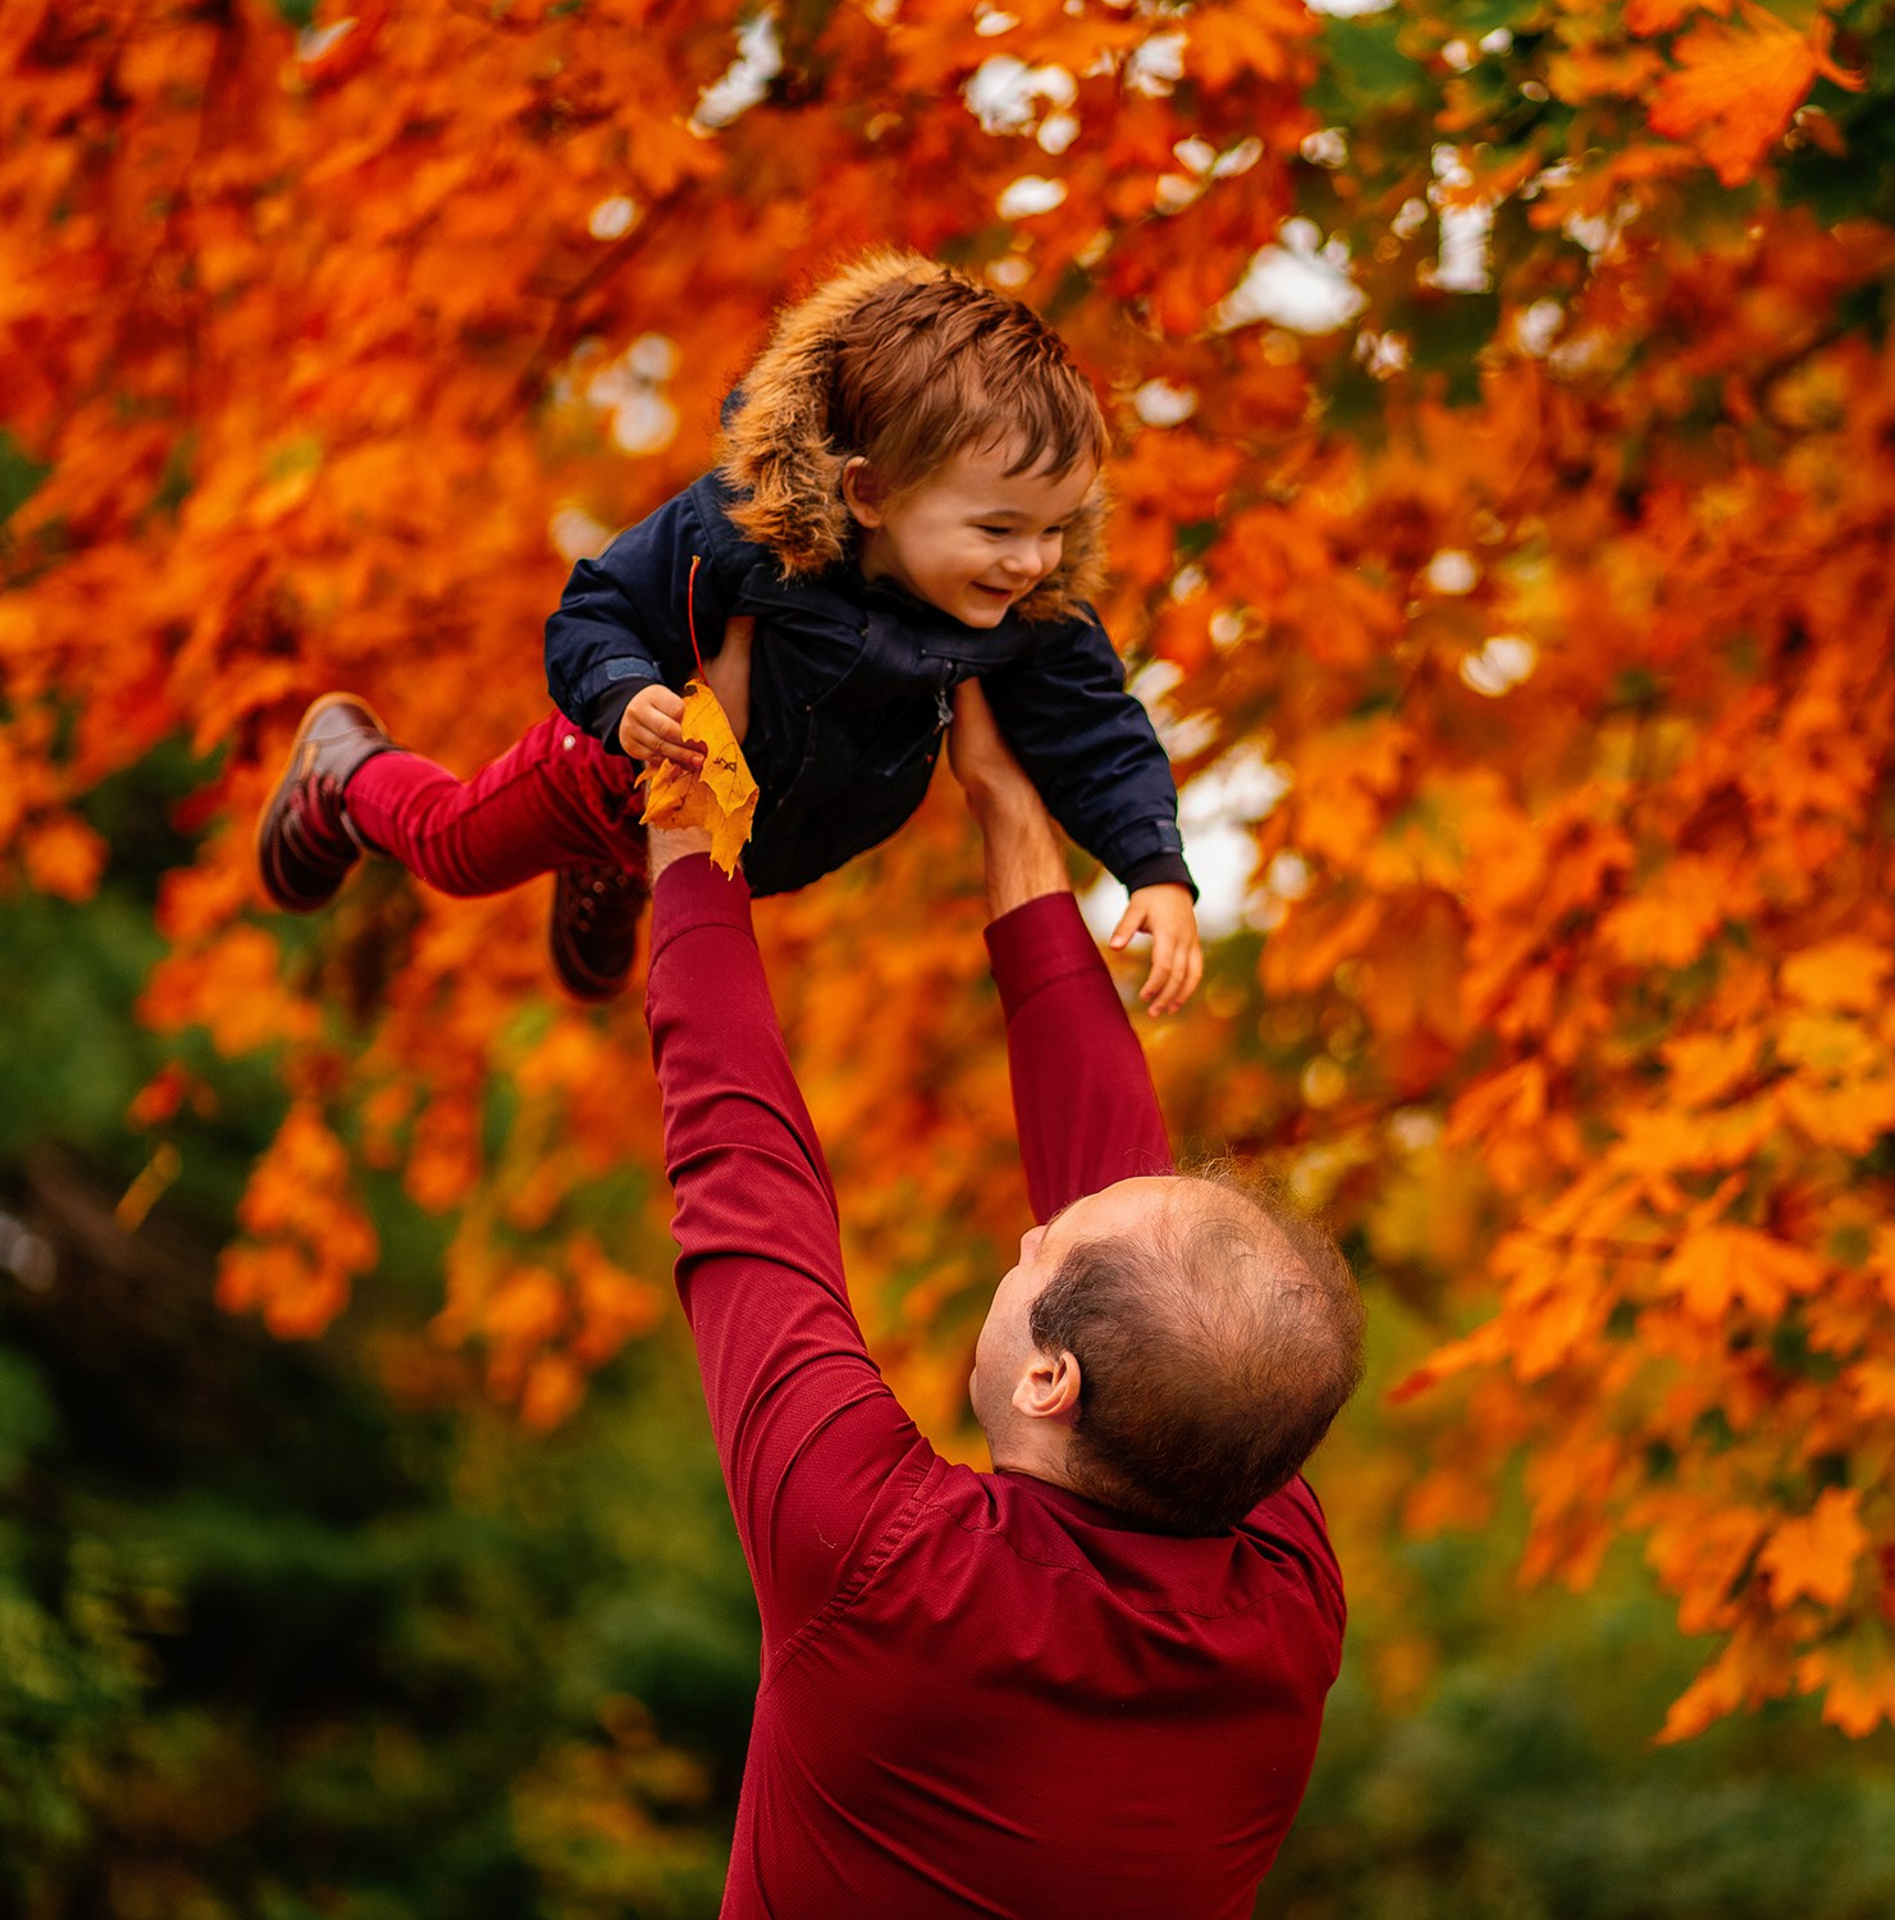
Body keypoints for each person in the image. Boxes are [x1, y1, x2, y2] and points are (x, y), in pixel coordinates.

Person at [643, 677, 1365, 1918]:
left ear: (1049, 1380)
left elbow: (746, 1174)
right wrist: (1014, 822)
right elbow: (1156, 1277)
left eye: (1042, 1252)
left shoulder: (885, 1563)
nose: (1032, 1227)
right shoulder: (1275, 1593)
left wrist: (686, 799)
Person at [255, 250, 1204, 1014]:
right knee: (455, 851)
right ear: (870, 492)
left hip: (757, 835)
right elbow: (596, 611)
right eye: (999, 531)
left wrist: (1154, 867)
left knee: (659, 886)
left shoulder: (1025, 613)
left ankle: (611, 874)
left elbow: (1097, 733)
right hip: (613, 769)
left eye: (1055, 529)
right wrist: (625, 694)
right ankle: (345, 769)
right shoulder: (743, 536)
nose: (1032, 561)